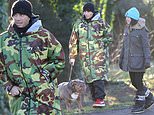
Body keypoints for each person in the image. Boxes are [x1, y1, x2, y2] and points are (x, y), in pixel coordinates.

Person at [0, 0, 65, 114]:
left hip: (45, 99)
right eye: (15, 15)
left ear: (29, 16)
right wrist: (9, 87)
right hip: (20, 101)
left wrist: (45, 76)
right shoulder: (4, 40)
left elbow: (59, 59)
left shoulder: (44, 36)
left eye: (22, 15)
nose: (18, 18)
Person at [69, 2, 111, 108]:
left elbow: (109, 36)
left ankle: (100, 99)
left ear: (93, 12)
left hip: (98, 56)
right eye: (85, 11)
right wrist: (72, 56)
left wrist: (102, 42)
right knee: (89, 79)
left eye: (89, 11)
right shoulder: (78, 24)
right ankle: (95, 100)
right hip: (85, 57)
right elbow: (73, 41)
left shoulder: (100, 22)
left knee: (98, 77)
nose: (86, 13)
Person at [119, 7, 154, 113]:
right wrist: (121, 59)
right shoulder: (127, 28)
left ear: (134, 18)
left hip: (140, 62)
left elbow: (146, 47)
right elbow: (124, 46)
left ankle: (139, 104)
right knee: (134, 82)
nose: (127, 20)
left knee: (138, 82)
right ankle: (149, 96)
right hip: (130, 62)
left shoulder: (142, 30)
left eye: (129, 18)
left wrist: (147, 61)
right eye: (126, 18)